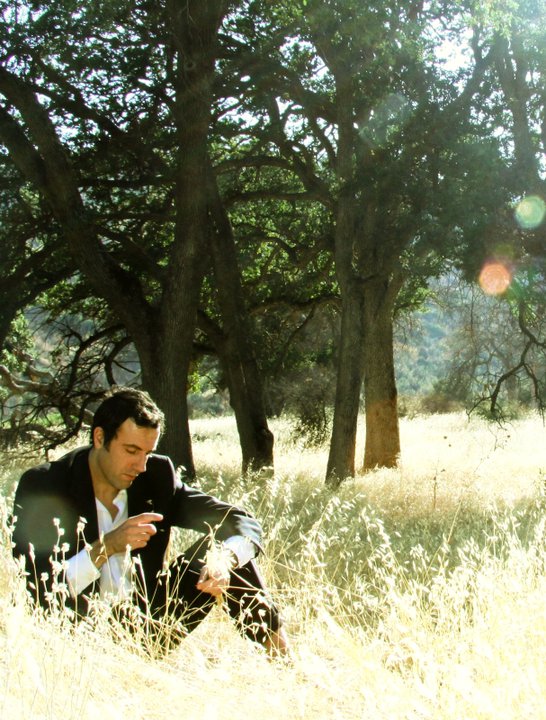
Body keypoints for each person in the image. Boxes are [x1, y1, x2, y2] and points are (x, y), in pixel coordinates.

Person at [11, 387, 288, 656]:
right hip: (77, 639)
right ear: (99, 438)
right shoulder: (45, 485)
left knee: (225, 553)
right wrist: (107, 546)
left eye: (147, 452)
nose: (141, 465)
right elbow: (37, 590)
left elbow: (239, 521)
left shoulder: (156, 476)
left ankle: (284, 665)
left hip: (149, 627)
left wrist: (224, 560)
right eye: (131, 451)